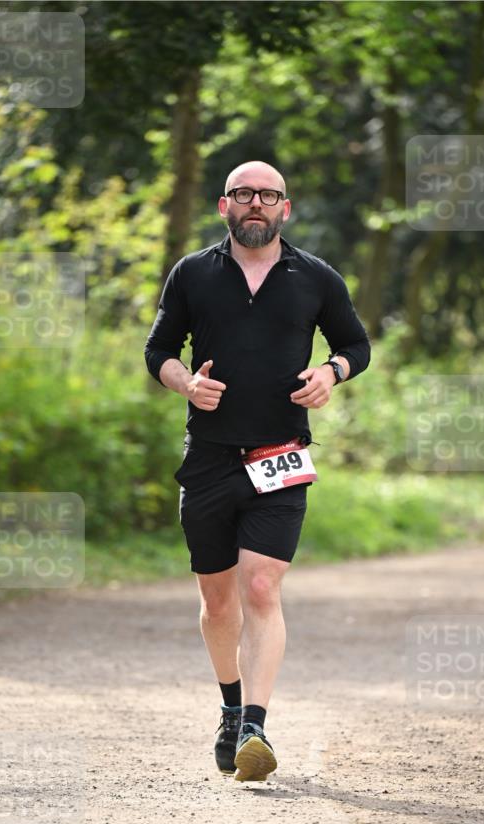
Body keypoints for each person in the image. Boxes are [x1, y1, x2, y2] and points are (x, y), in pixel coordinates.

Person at [144, 160, 370, 782]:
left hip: (280, 457)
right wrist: (186, 384)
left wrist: (332, 373)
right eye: (244, 195)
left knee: (263, 588)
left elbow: (356, 345)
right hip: (210, 458)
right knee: (218, 604)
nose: (256, 205)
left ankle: (255, 727)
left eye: (268, 196)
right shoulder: (192, 274)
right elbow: (158, 351)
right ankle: (229, 705)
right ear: (224, 206)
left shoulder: (315, 277)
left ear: (285, 209)